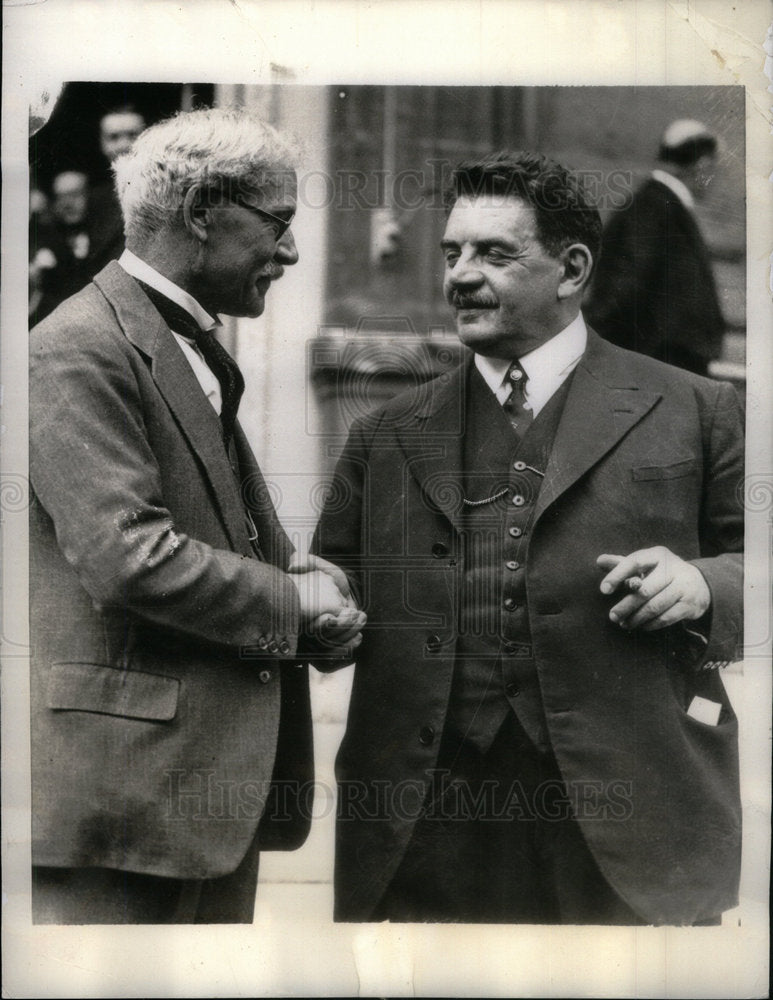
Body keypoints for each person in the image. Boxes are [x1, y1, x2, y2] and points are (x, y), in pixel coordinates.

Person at [314, 151, 744, 925]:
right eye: (452, 253)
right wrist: (313, 603)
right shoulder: (382, 434)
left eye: (493, 253)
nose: (460, 276)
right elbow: (330, 589)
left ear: (572, 269)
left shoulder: (693, 407)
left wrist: (706, 585)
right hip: (425, 824)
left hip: (629, 818)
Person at [29, 107, 363, 924]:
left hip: (198, 804)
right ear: (201, 212)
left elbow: (218, 528)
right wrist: (292, 603)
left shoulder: (175, 342)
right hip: (121, 806)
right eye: (277, 223)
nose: (288, 251)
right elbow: (127, 557)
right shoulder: (74, 346)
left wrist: (305, 601)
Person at [586, 119, 725, 376]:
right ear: (703, 165)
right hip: (658, 370)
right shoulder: (652, 209)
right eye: (715, 169)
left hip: (664, 368)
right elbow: (621, 291)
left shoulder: (659, 207)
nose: (715, 179)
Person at [86, 106, 147, 274]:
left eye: (133, 135)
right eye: (113, 137)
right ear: (102, 144)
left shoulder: (164, 193)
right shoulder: (94, 198)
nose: (124, 145)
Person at [29, 171, 92, 322]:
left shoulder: (103, 232)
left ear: (88, 195)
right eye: (61, 197)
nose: (67, 204)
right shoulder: (47, 237)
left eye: (75, 195)